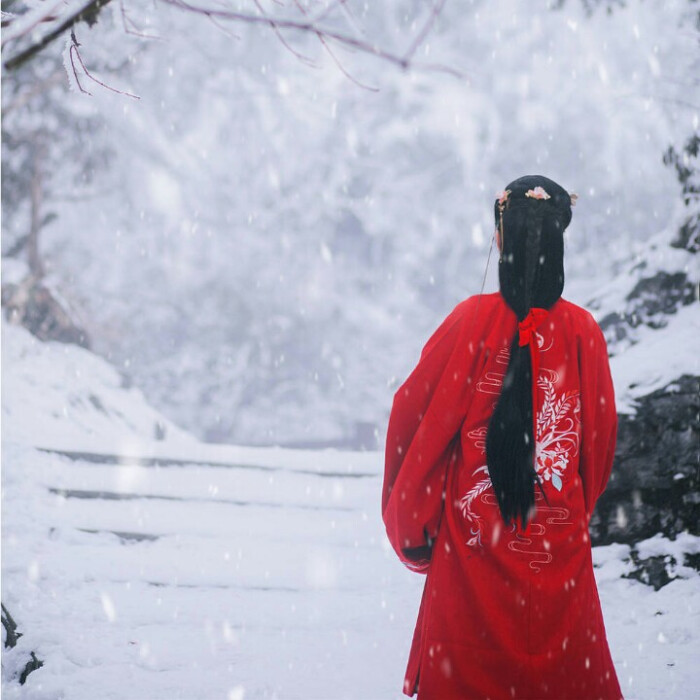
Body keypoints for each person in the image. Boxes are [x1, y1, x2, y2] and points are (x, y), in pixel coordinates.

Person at [382, 175, 623, 699]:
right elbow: (597, 452)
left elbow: (413, 427)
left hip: (471, 569)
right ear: (559, 239)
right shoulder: (583, 333)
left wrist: (418, 531)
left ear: (500, 239)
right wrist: (565, 515)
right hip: (558, 565)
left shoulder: (468, 322)